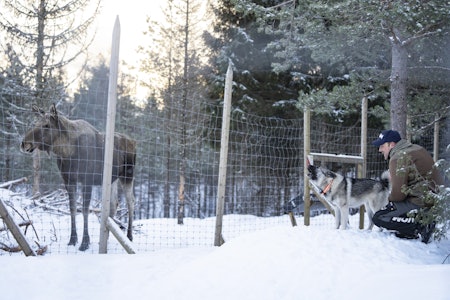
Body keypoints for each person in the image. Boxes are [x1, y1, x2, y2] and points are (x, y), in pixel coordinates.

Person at [371, 129, 444, 243]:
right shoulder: (418, 149)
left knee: (379, 217)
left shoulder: (397, 158)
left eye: (382, 146)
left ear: (392, 144)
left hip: (420, 202)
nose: (380, 149)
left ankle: (419, 227)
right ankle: (421, 222)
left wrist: (389, 201)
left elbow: (399, 194)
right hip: (435, 201)